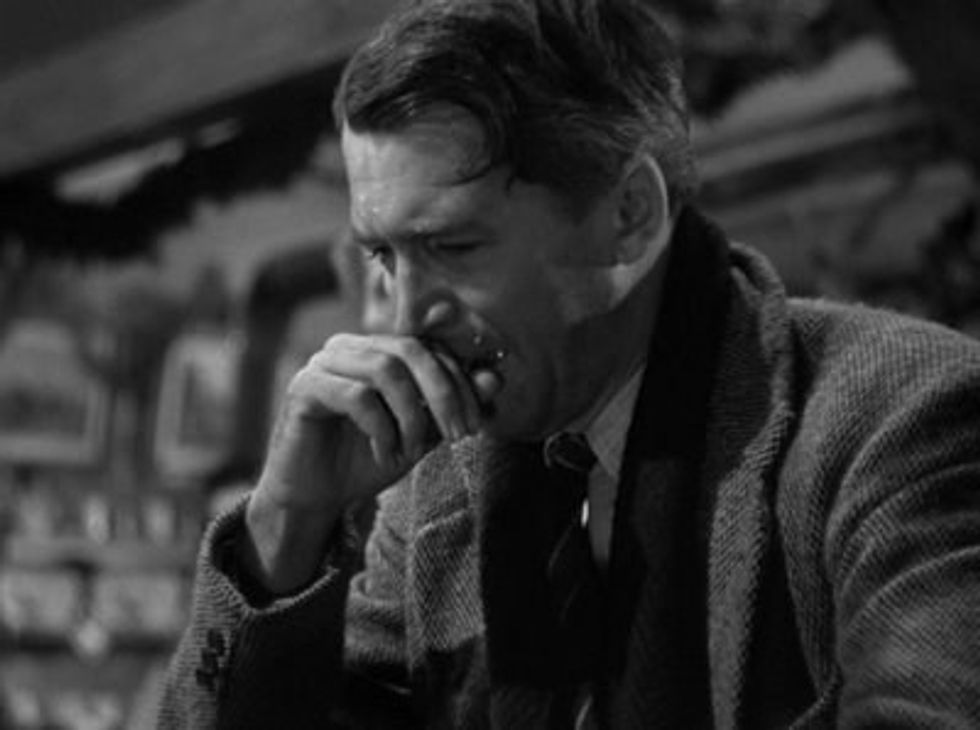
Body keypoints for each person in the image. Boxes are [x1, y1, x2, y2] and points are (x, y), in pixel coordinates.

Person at [157, 0, 980, 727]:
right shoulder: (440, 481)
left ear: (630, 217)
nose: (405, 319)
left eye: (453, 246)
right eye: (383, 255)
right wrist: (286, 525)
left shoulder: (899, 419)